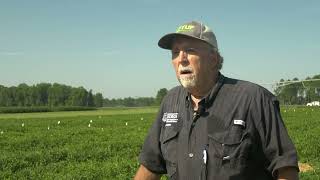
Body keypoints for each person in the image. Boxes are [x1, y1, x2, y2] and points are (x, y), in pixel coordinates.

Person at [134, 21, 299, 180]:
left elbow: (285, 168)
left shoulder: (253, 99)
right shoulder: (170, 102)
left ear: (213, 59)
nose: (181, 59)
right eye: (175, 52)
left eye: (189, 50)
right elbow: (150, 165)